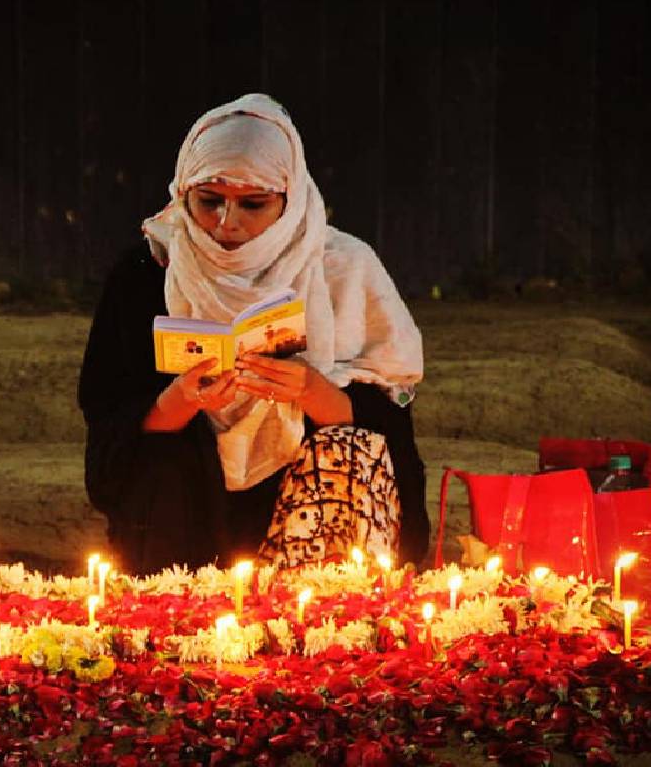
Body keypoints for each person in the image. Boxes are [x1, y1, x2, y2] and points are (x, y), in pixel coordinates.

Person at [78, 93, 428, 576]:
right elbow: (109, 428)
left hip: (308, 508)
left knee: (346, 450)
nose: (227, 223)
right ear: (183, 193)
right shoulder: (145, 273)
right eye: (209, 201)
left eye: (253, 204)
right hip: (186, 510)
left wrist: (310, 389)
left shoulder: (342, 270)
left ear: (291, 200)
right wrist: (177, 403)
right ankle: (174, 617)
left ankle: (331, 625)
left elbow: (389, 432)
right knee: (166, 459)